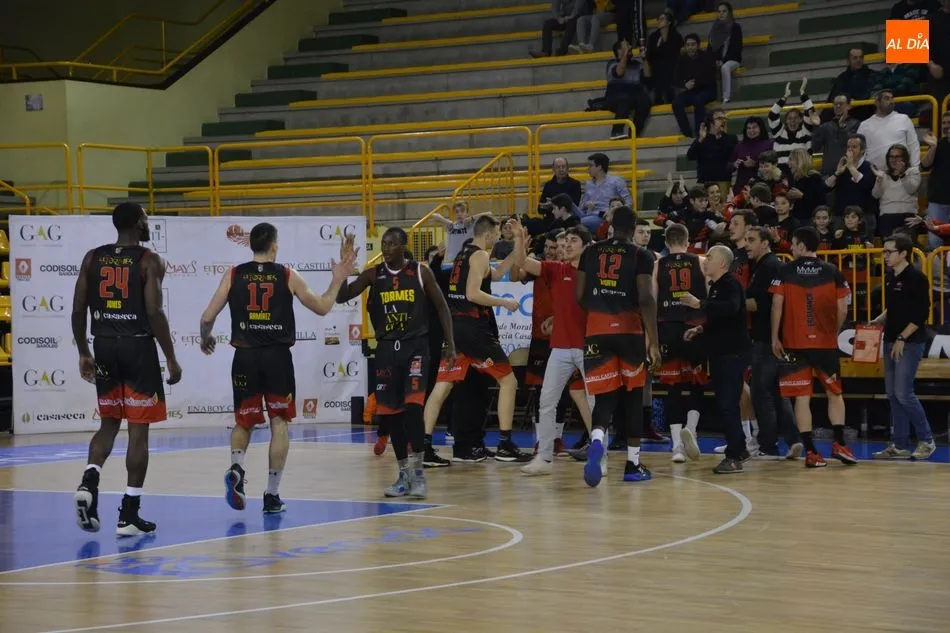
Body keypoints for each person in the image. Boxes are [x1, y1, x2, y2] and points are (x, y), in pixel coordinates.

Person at [198, 223, 355, 513]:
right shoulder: (287, 275)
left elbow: (208, 316)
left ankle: (236, 468)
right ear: (274, 246)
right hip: (277, 358)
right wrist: (338, 280)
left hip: (245, 357)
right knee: (279, 422)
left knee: (244, 421)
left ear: (251, 246)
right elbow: (321, 307)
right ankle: (271, 495)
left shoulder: (233, 275)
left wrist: (205, 337)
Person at [71, 202, 182, 535]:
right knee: (137, 430)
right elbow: (154, 313)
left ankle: (89, 480)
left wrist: (83, 351)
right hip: (137, 348)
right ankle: (128, 514)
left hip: (104, 345)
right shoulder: (149, 260)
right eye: (146, 216)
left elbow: (78, 310)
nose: (148, 221)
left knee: (108, 423)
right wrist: (171, 357)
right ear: (137, 222)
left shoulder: (92, 257)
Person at [334, 227, 458, 495]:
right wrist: (343, 272)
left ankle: (418, 473)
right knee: (391, 415)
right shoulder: (374, 274)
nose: (386, 248)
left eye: (391, 243)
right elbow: (342, 296)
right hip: (387, 349)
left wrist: (450, 342)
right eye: (384, 243)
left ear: (403, 246)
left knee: (413, 408)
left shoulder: (421, 272)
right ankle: (403, 475)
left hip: (416, 347)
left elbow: (441, 306)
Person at [423, 216, 531, 462]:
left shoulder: (463, 254)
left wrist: (518, 242)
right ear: (489, 234)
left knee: (443, 386)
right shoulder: (480, 255)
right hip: (472, 327)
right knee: (508, 381)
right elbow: (473, 293)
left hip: (454, 328)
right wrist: (504, 302)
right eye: (496, 234)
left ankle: (425, 447)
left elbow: (497, 273)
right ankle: (505, 443)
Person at [576, 206, 660, 486]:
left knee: (605, 398)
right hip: (629, 331)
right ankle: (632, 465)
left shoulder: (590, 252)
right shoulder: (641, 254)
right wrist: (654, 342)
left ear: (610, 224)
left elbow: (580, 295)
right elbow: (647, 298)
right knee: (634, 398)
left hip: (597, 330)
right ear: (634, 226)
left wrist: (600, 307)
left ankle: (597, 438)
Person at [770, 227, 859, 468]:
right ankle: (840, 443)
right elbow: (843, 308)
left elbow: (777, 305)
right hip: (825, 344)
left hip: (793, 344)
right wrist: (834, 331)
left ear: (799, 245)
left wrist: (774, 337)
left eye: (793, 244)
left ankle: (810, 451)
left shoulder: (785, 270)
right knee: (834, 393)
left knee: (801, 398)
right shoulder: (832, 271)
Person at [517, 226, 595, 476]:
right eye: (566, 241)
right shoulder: (555, 268)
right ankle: (545, 457)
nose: (568, 244)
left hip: (588, 347)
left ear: (586, 245)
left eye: (574, 241)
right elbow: (522, 263)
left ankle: (598, 457)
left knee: (595, 406)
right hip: (560, 348)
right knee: (547, 402)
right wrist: (519, 239)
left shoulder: (593, 273)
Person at [682, 245, 750, 474]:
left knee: (728, 405)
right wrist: (701, 329)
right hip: (722, 353)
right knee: (726, 404)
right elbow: (723, 319)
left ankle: (734, 457)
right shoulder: (717, 286)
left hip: (733, 354)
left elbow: (731, 309)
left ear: (722, 263)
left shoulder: (730, 284)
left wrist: (698, 304)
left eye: (709, 257)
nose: (705, 260)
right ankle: (740, 449)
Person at [870, 233, 936, 460]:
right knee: (893, 394)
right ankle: (899, 444)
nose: (885, 256)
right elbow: (895, 308)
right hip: (891, 339)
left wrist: (901, 338)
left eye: (889, 252)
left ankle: (927, 440)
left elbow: (920, 315)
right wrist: (879, 320)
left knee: (904, 393)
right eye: (884, 251)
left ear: (903, 253)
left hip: (909, 342)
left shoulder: (916, 278)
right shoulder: (890, 277)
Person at [743, 226, 802, 459]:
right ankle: (794, 439)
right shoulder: (768, 265)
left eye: (752, 240)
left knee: (761, 392)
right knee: (778, 392)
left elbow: (759, 304)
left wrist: (731, 302)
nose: (747, 244)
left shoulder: (768, 266)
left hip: (767, 338)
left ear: (765, 243)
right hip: (775, 338)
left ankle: (768, 445)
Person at [655, 223, 706, 463]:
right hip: (693, 328)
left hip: (667, 327)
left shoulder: (659, 265)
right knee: (697, 382)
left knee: (673, 386)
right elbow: (707, 293)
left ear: (666, 242)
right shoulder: (700, 261)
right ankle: (692, 429)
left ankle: (676, 445)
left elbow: (653, 299)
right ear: (687, 241)